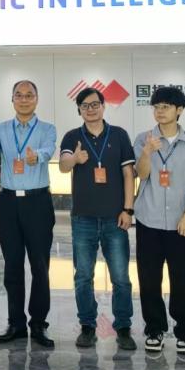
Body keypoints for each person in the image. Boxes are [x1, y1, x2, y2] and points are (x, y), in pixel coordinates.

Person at [133, 86, 185, 354]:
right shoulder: (143, 139)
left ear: (179, 110)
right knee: (149, 279)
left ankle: (184, 332)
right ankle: (154, 329)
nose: (160, 111)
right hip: (149, 220)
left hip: (181, 223)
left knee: (182, 279)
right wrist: (147, 152)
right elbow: (141, 174)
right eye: (156, 107)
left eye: (166, 107)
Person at [59, 87, 137, 351]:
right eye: (85, 106)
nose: (90, 109)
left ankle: (123, 327)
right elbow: (64, 165)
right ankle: (87, 326)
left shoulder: (119, 135)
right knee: (83, 276)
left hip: (115, 218)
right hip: (84, 219)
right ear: (79, 110)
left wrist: (128, 210)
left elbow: (128, 174)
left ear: (104, 106)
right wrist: (75, 158)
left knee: (120, 277)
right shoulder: (72, 136)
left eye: (95, 104)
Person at [0, 80, 58, 348]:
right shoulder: (1, 129)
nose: (24, 99)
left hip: (37, 202)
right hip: (8, 203)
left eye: (29, 95)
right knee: (12, 265)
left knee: (40, 265)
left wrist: (36, 156)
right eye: (19, 95)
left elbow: (48, 149)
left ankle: (38, 324)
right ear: (12, 99)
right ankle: (15, 323)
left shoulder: (47, 129)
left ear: (36, 99)